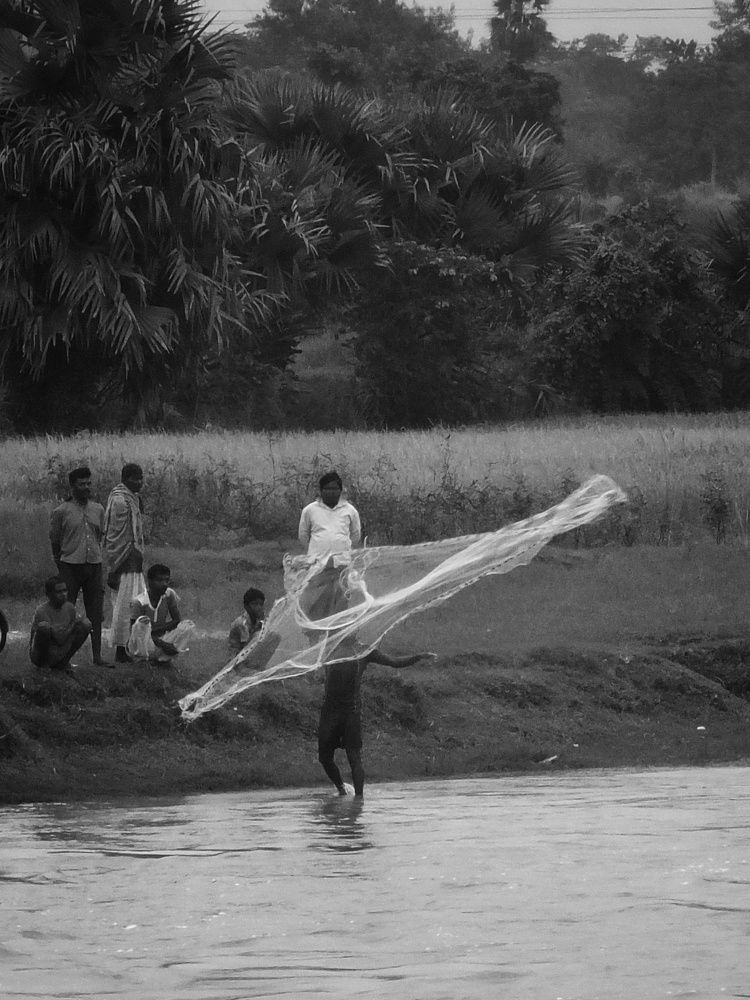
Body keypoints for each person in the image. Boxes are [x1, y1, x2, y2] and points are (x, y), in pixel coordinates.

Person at [318, 636, 436, 798]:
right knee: (325, 758)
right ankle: (342, 789)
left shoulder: (364, 651)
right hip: (330, 711)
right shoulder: (330, 649)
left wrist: (418, 657)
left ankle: (359, 799)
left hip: (350, 711)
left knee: (354, 757)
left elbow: (394, 662)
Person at [49, 466, 109, 667]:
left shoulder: (98, 509)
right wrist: (61, 563)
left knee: (95, 611)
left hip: (93, 564)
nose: (86, 487)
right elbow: (55, 541)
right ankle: (62, 657)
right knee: (66, 611)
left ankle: (97, 657)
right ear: (72, 486)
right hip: (70, 565)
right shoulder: (61, 511)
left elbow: (99, 536)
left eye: (88, 483)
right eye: (82, 484)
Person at [298, 472, 362, 622]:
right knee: (316, 601)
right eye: (327, 489)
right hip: (317, 566)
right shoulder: (310, 510)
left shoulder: (350, 510)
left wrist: (342, 549)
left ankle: (337, 632)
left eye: (335, 489)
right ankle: (315, 632)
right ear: (320, 491)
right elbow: (303, 535)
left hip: (341, 565)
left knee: (340, 601)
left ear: (340, 491)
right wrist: (316, 553)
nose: (331, 492)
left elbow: (355, 535)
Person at [104, 463, 145, 663]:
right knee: (124, 607)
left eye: (141, 478)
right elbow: (119, 534)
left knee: (138, 604)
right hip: (125, 558)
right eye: (135, 478)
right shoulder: (121, 500)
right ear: (125, 479)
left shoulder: (132, 498)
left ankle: (133, 646)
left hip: (134, 559)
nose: (139, 482)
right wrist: (121, 560)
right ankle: (121, 650)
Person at [127, 563, 195, 665]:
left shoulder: (169, 594)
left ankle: (163, 659)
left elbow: (177, 620)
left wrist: (156, 631)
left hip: (160, 638)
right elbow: (135, 631)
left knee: (188, 625)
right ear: (150, 581)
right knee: (141, 622)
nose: (164, 584)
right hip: (144, 644)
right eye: (159, 580)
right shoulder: (139, 602)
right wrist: (161, 643)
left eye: (166, 580)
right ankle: (142, 659)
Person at [29, 575, 91, 672]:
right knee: (44, 627)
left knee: (86, 624)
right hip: (42, 654)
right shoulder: (41, 611)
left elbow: (68, 635)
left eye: (65, 590)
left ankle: (64, 662)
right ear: (49, 594)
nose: (63, 594)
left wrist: (75, 625)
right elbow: (59, 639)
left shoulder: (70, 608)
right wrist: (73, 625)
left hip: (61, 649)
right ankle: (44, 665)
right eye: (58, 592)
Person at [228, 587, 265, 655]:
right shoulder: (241, 624)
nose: (259, 607)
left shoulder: (257, 620)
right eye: (255, 604)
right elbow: (247, 648)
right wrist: (258, 627)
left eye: (261, 604)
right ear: (246, 606)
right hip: (237, 657)